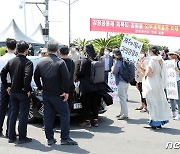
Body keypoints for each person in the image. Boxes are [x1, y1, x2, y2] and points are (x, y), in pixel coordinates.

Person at [34, 40, 77, 146]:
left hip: (46, 93)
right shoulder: (60, 62)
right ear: (57, 50)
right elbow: (66, 79)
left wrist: (40, 87)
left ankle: (50, 138)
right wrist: (66, 92)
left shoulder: (41, 62)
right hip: (58, 94)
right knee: (65, 114)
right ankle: (65, 138)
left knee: (48, 115)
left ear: (47, 50)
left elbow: (36, 77)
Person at [1, 40, 33, 143]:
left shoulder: (11, 61)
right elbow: (27, 76)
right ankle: (22, 137)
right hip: (22, 92)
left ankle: (11, 136)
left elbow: (2, 73)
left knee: (13, 113)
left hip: (13, 91)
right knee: (23, 114)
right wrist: (27, 89)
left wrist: (6, 85)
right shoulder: (28, 62)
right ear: (27, 50)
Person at [142, 46, 171, 129]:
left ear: (151, 51)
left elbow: (149, 73)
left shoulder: (152, 60)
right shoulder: (160, 59)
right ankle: (160, 121)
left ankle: (154, 121)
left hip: (152, 83)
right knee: (159, 102)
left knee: (152, 103)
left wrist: (143, 70)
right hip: (158, 82)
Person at [76, 44, 101, 127]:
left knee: (86, 103)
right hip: (96, 85)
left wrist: (76, 76)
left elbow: (81, 72)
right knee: (94, 103)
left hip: (86, 85)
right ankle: (95, 120)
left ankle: (87, 122)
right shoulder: (96, 59)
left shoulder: (85, 60)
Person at [0, 38, 16, 137]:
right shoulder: (16, 59)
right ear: (15, 47)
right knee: (12, 108)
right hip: (13, 85)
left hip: (3, 84)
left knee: (2, 107)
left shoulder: (1, 59)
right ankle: (9, 131)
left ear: (6, 47)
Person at [112, 49, 129, 120]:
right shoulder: (124, 61)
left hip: (120, 82)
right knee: (123, 98)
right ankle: (122, 112)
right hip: (126, 81)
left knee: (122, 99)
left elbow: (115, 72)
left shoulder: (118, 62)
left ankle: (125, 114)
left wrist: (112, 69)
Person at [59, 45, 75, 112]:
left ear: (59, 52)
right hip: (70, 86)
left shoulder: (58, 62)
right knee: (68, 107)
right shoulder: (71, 62)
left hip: (60, 87)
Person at [168, 50, 180, 120]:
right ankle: (173, 112)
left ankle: (179, 113)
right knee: (171, 97)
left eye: (173, 54)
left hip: (178, 81)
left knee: (178, 98)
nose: (171, 56)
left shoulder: (178, 63)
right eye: (170, 54)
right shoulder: (168, 63)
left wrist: (177, 70)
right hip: (170, 81)